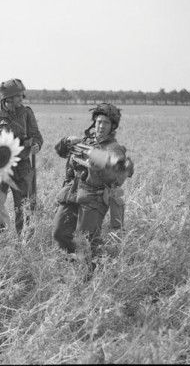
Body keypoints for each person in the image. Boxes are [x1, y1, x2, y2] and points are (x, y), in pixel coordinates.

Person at [52, 103, 134, 267]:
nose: (101, 126)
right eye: (98, 121)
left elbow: (116, 178)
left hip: (94, 199)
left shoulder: (115, 149)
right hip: (72, 194)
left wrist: (98, 163)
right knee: (59, 233)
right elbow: (61, 151)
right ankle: (73, 264)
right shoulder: (85, 141)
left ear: (112, 127)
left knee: (86, 240)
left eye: (106, 123)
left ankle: (89, 273)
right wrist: (66, 141)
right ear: (93, 122)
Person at [0, 79, 43, 235]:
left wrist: (36, 145)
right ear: (7, 99)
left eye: (22, 94)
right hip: (1, 167)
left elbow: (37, 136)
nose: (22, 98)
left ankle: (24, 238)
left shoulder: (26, 113)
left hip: (22, 166)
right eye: (18, 95)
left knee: (24, 205)